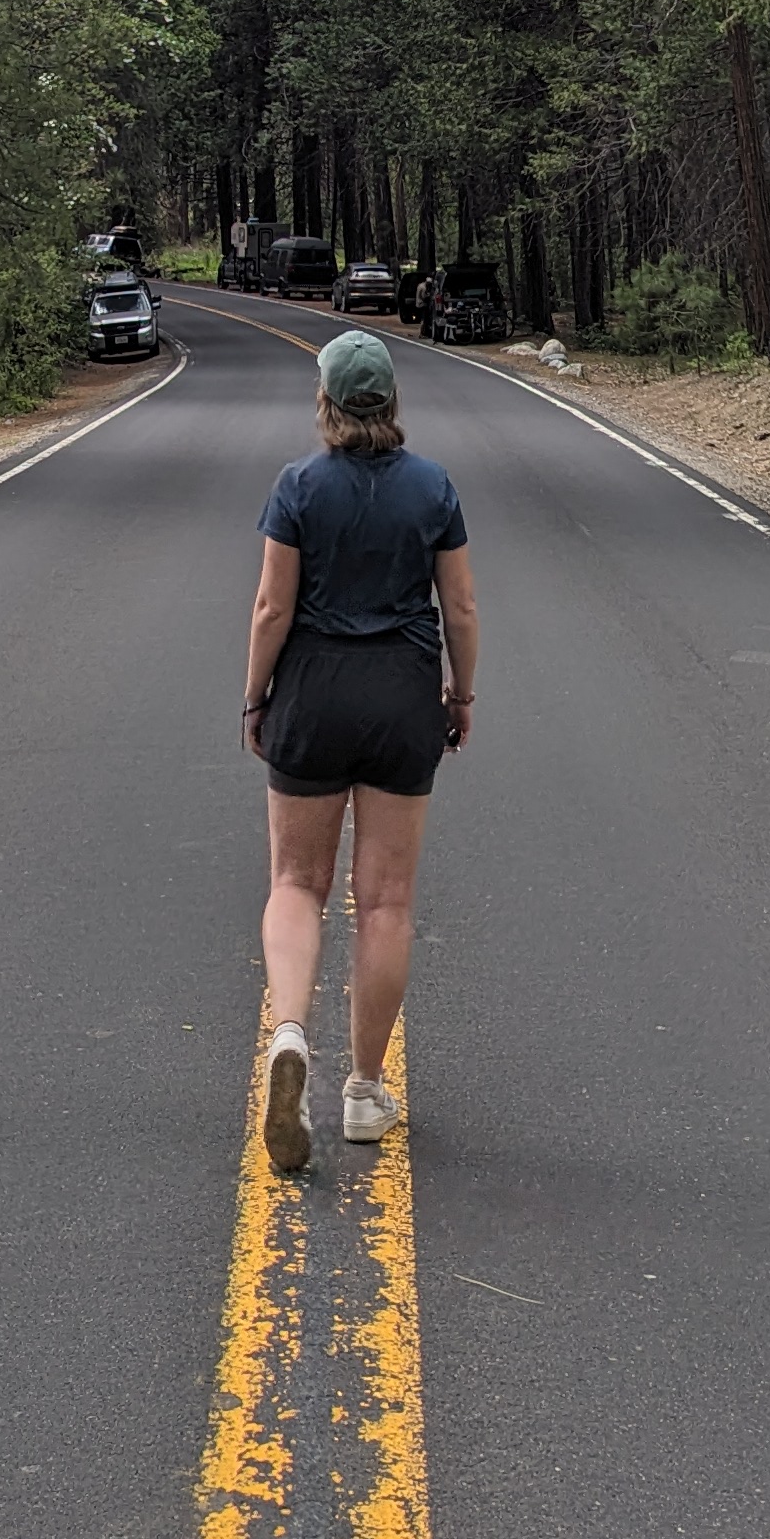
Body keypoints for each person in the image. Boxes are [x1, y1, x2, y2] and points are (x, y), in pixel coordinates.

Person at [240, 327, 479, 1170]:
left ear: (328, 403)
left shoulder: (298, 486)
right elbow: (461, 611)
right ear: (391, 402)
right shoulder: (434, 488)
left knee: (296, 884)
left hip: (312, 693)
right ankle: (366, 1091)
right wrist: (460, 696)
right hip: (403, 698)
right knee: (384, 904)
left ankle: (290, 1035)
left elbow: (273, 609)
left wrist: (255, 698)